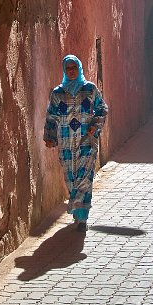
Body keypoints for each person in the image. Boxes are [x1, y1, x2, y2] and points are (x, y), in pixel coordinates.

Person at [44, 54, 108, 232]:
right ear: (64, 70)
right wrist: (50, 136)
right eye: (68, 68)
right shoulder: (57, 93)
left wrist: (95, 126)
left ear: (79, 68)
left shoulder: (89, 89)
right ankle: (77, 212)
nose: (71, 71)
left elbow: (102, 108)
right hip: (65, 142)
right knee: (71, 178)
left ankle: (82, 217)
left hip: (86, 140)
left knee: (85, 177)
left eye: (74, 68)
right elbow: (51, 115)